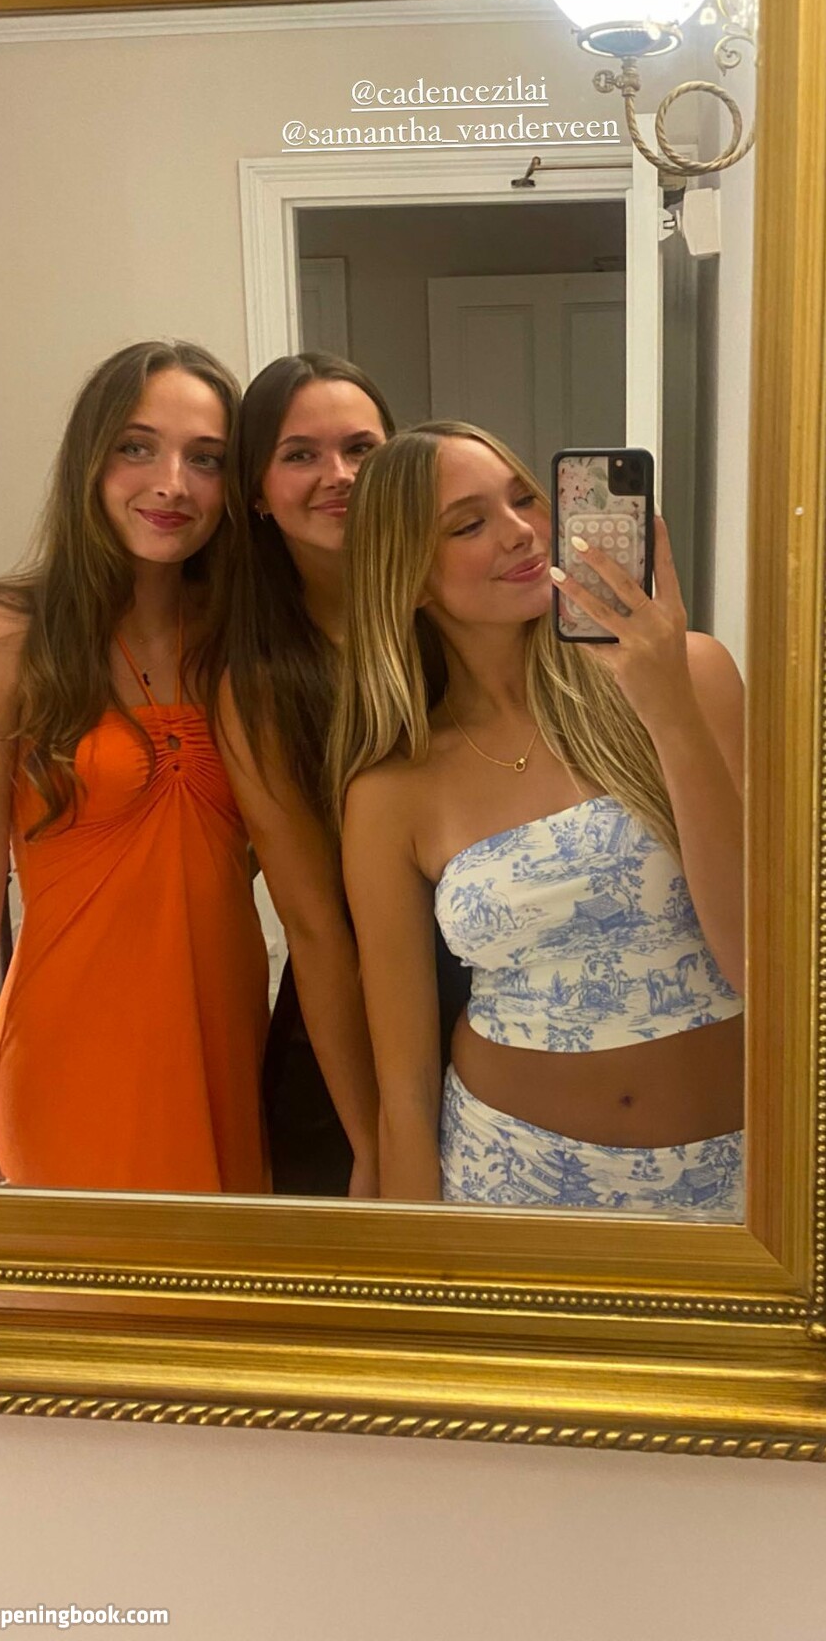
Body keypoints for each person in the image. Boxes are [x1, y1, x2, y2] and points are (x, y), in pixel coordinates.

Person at [329, 421, 746, 1216]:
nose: (521, 531)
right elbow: (404, 1090)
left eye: (525, 498)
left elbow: (759, 961)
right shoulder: (391, 792)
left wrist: (668, 708)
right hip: (508, 1180)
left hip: (734, 1177)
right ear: (409, 580)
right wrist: (419, 1272)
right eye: (468, 524)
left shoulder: (695, 674)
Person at [0, 340, 270, 1194]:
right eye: (138, 447)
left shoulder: (241, 639)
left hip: (227, 1043)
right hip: (70, 1056)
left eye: (205, 459)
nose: (172, 484)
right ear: (89, 461)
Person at [217, 353, 470, 1199]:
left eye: (362, 448)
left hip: (509, 996)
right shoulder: (257, 680)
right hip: (349, 1038)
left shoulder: (458, 614)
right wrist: (372, 1139)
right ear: (257, 491)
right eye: (301, 455)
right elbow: (316, 929)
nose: (341, 476)